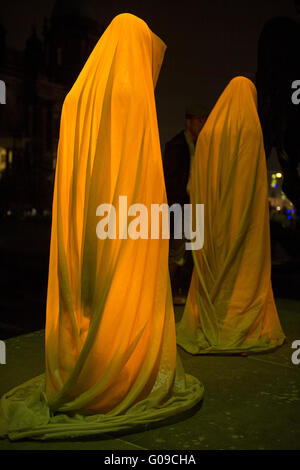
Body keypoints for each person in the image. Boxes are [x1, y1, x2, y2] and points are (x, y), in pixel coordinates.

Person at [0, 13, 203, 440]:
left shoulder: (80, 94)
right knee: (119, 304)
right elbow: (139, 175)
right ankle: (114, 371)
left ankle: (83, 361)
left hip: (85, 224)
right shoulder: (129, 92)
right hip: (121, 222)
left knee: (88, 301)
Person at [176, 76, 286, 354]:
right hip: (240, 219)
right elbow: (251, 186)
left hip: (210, 220)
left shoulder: (210, 131)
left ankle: (210, 318)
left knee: (213, 266)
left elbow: (198, 179)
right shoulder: (250, 128)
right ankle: (235, 321)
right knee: (240, 271)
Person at [163, 106, 208, 304]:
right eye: (198, 120)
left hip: (193, 205)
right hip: (180, 205)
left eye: (203, 121)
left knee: (190, 250)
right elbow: (169, 179)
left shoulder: (199, 146)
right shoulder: (177, 145)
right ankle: (169, 292)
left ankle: (181, 291)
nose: (201, 125)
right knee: (177, 251)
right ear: (188, 122)